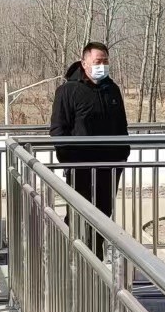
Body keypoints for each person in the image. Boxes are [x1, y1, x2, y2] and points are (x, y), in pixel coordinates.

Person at [49, 41, 130, 252]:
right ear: (84, 63)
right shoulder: (68, 91)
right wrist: (68, 159)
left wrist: (122, 155)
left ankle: (97, 260)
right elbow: (58, 129)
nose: (101, 66)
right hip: (80, 166)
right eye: (97, 61)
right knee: (78, 214)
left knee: (103, 213)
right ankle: (71, 258)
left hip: (110, 166)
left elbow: (122, 125)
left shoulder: (112, 90)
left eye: (105, 61)